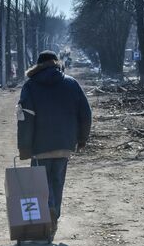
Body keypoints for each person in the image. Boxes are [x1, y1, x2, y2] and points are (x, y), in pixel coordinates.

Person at [17, 50, 92, 235]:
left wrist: (24, 147)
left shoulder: (30, 86)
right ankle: (54, 216)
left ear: (37, 64)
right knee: (57, 181)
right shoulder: (71, 83)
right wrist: (82, 139)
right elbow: (86, 114)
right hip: (64, 144)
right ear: (56, 62)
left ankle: (48, 210)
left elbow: (25, 118)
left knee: (41, 184)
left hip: (39, 146)